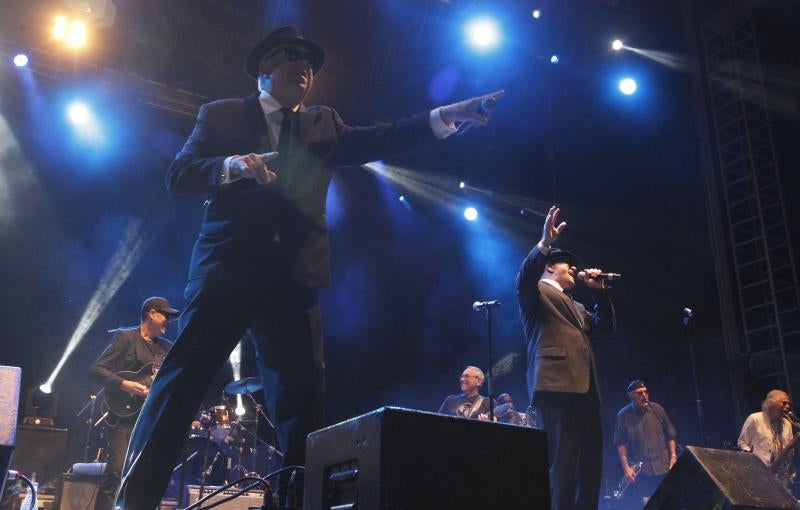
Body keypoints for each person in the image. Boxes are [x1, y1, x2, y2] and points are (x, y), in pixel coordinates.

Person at [117, 25, 504, 509]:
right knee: (179, 384)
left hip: (294, 281)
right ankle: (134, 501)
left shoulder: (324, 123)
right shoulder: (221, 114)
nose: (305, 67)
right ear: (264, 69)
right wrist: (232, 166)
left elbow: (382, 138)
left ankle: (294, 504)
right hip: (227, 271)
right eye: (291, 56)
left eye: (311, 63)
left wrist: (447, 115)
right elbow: (178, 175)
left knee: (303, 406)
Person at [516, 205, 616, 510]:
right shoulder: (536, 292)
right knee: (563, 464)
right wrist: (545, 244)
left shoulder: (576, 305)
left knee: (590, 466)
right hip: (556, 387)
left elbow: (606, 329)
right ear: (549, 267)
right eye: (567, 265)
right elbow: (525, 276)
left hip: (586, 390)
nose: (573, 269)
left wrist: (599, 292)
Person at [88, 297, 178, 510]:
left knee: (145, 476)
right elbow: (97, 369)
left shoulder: (167, 348)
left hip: (149, 419)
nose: (168, 320)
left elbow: (172, 380)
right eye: (165, 315)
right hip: (123, 417)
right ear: (151, 313)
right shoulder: (126, 337)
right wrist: (124, 384)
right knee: (115, 472)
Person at [613, 380, 677, 508]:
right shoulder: (623, 416)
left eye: (645, 392)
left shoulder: (657, 409)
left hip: (663, 468)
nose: (644, 395)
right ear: (631, 396)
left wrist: (673, 456)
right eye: (639, 393)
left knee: (668, 503)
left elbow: (670, 435)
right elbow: (620, 444)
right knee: (648, 504)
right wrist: (626, 468)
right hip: (642, 472)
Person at [738, 390, 795, 477]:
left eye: (789, 404)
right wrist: (754, 463)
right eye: (784, 403)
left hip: (781, 475)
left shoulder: (788, 423)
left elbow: (789, 451)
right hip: (759, 473)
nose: (787, 406)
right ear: (771, 403)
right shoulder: (755, 418)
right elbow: (742, 443)